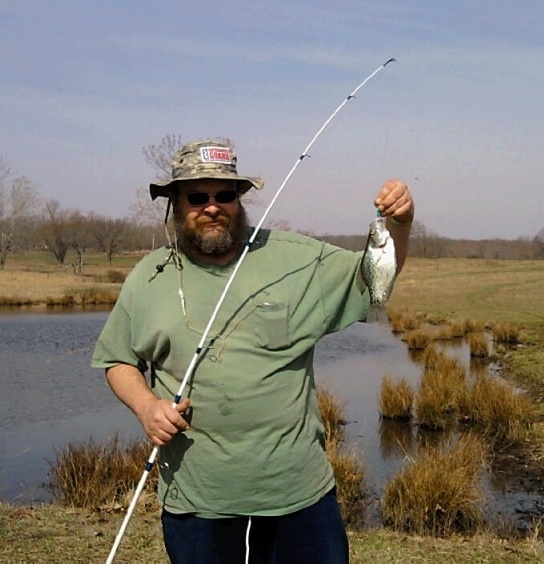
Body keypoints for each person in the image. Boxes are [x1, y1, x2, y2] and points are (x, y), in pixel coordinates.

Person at [92, 139, 414, 563]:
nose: (212, 206)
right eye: (197, 196)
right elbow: (117, 359)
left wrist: (401, 224)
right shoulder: (146, 277)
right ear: (173, 203)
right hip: (197, 503)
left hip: (300, 499)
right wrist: (145, 406)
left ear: (240, 199)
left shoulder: (297, 259)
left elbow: (373, 273)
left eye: (225, 195)